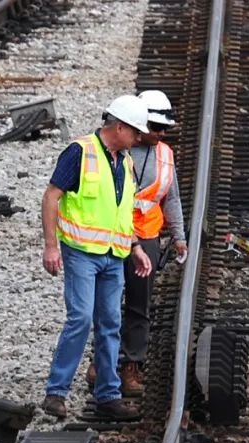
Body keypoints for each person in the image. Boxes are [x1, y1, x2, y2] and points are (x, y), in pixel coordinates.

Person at [40, 95, 153, 421]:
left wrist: (135, 247)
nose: (137, 139)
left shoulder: (125, 161)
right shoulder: (80, 152)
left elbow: (120, 212)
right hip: (82, 254)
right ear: (119, 127)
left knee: (110, 325)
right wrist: (51, 246)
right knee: (81, 319)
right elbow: (51, 197)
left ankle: (108, 395)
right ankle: (56, 392)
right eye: (135, 132)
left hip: (113, 255)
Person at [85, 90, 188, 396]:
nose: (160, 134)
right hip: (114, 234)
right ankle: (101, 362)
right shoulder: (116, 150)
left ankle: (132, 366)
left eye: (163, 129)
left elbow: (172, 197)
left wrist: (179, 236)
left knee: (139, 304)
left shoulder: (165, 156)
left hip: (147, 236)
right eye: (155, 128)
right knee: (106, 302)